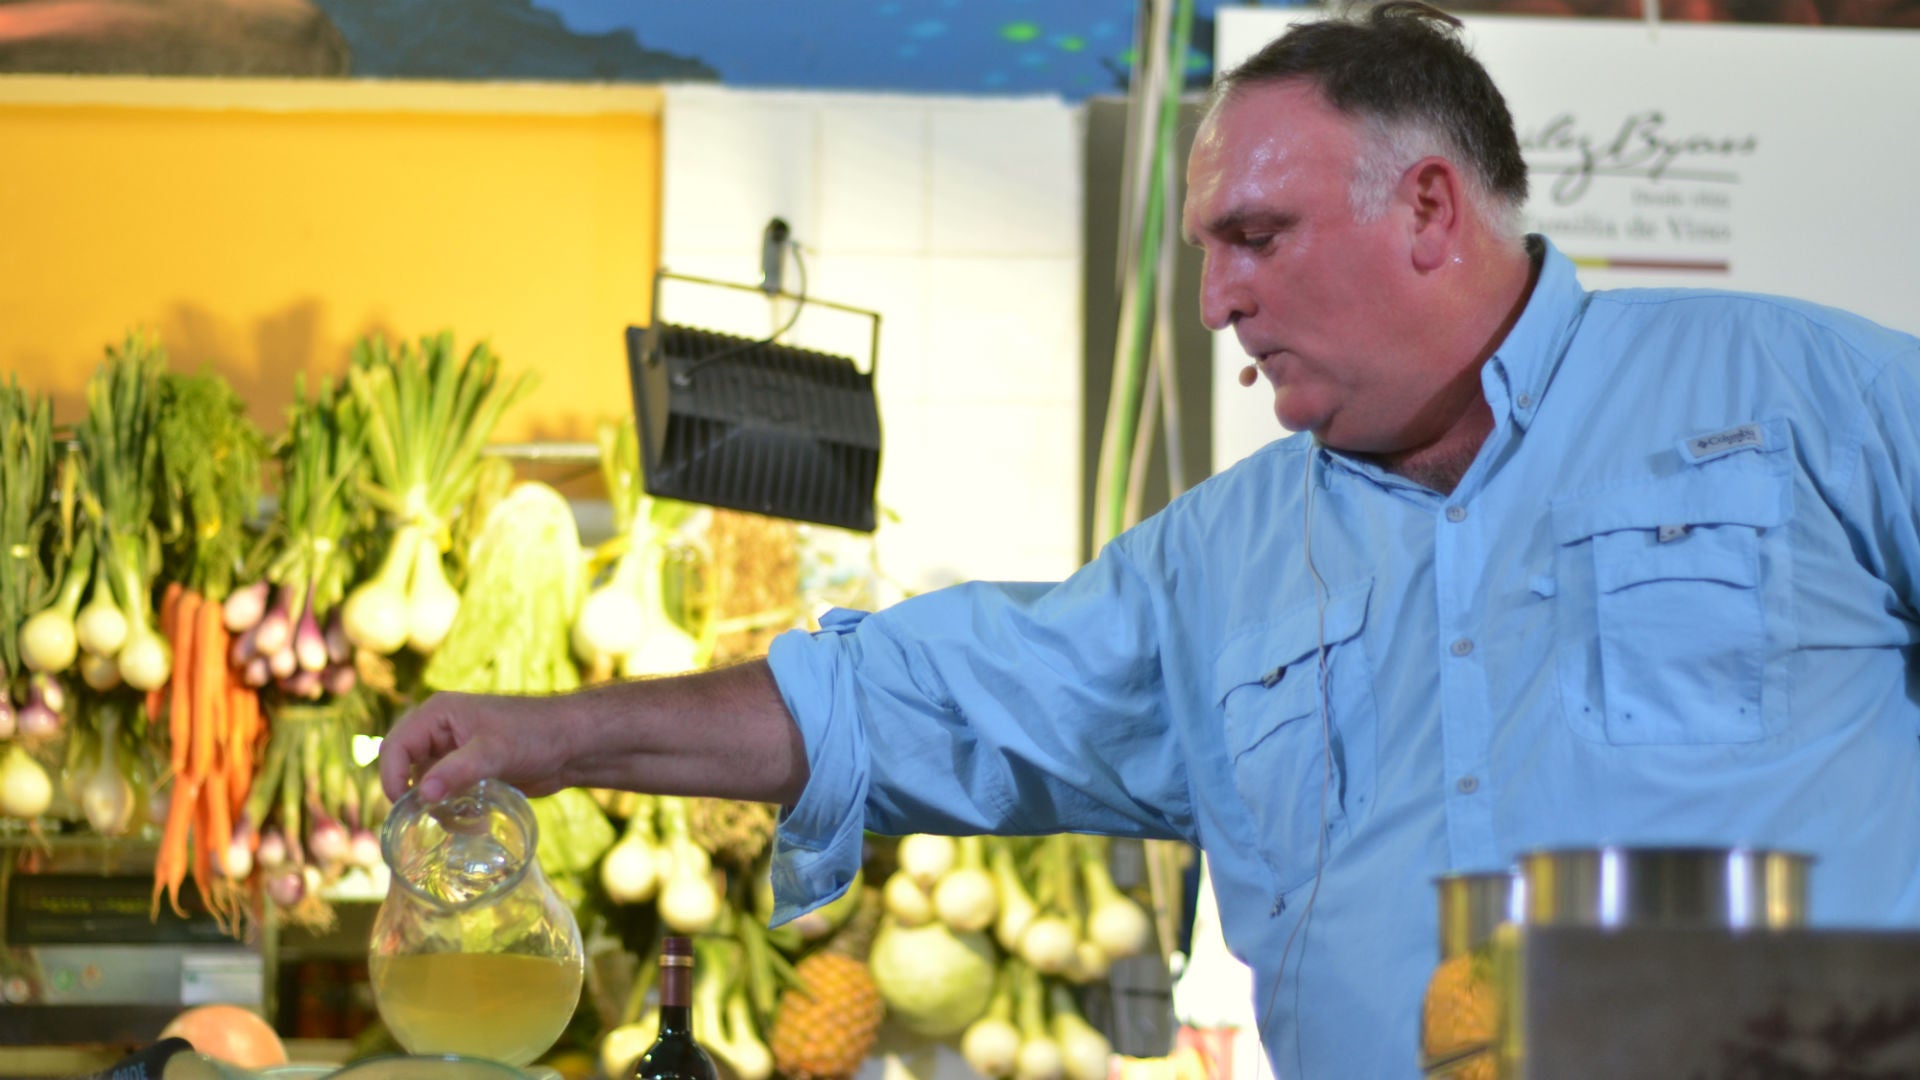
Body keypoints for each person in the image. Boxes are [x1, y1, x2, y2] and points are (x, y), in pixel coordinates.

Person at [379, 3, 1920, 1075]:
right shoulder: (1212, 567)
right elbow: (901, 696)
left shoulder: (1800, 393)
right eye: (1206, 252)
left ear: (1433, 212)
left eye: (1256, 238)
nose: (1216, 303)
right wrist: (551, 734)